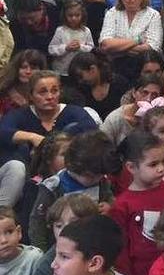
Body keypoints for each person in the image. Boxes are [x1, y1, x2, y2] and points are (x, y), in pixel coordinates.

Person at [0, 72, 97, 209]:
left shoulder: (73, 111)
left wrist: (50, 142)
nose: (50, 97)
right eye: (42, 92)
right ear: (31, 95)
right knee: (17, 157)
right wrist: (32, 137)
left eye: (54, 91)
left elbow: (91, 129)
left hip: (69, 171)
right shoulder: (21, 114)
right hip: (30, 174)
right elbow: (3, 131)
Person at [109, 131, 164, 275]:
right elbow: (121, 252)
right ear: (131, 167)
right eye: (153, 164)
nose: (161, 169)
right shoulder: (122, 205)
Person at [29, 129, 117, 251]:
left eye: (100, 175)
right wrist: (40, 250)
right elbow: (37, 222)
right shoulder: (54, 186)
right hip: (60, 245)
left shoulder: (101, 181)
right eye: (89, 176)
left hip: (94, 242)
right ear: (71, 164)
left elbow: (109, 198)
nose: (95, 179)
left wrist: (109, 207)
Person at [99, 0, 163, 81]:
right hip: (116, 65)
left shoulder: (153, 15)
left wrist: (117, 48)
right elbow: (105, 45)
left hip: (144, 64)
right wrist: (138, 40)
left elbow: (153, 47)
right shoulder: (112, 13)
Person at [99, 73, 164, 146]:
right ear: (134, 93)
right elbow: (101, 148)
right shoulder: (115, 119)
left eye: (154, 95)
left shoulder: (162, 119)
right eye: (144, 93)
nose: (148, 99)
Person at [48, 0, 94, 77]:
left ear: (82, 15)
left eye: (77, 15)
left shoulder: (86, 31)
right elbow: (51, 49)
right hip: (61, 71)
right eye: (70, 15)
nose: (73, 18)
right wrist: (66, 48)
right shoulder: (60, 30)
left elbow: (91, 48)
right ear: (65, 15)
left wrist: (80, 47)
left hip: (79, 71)